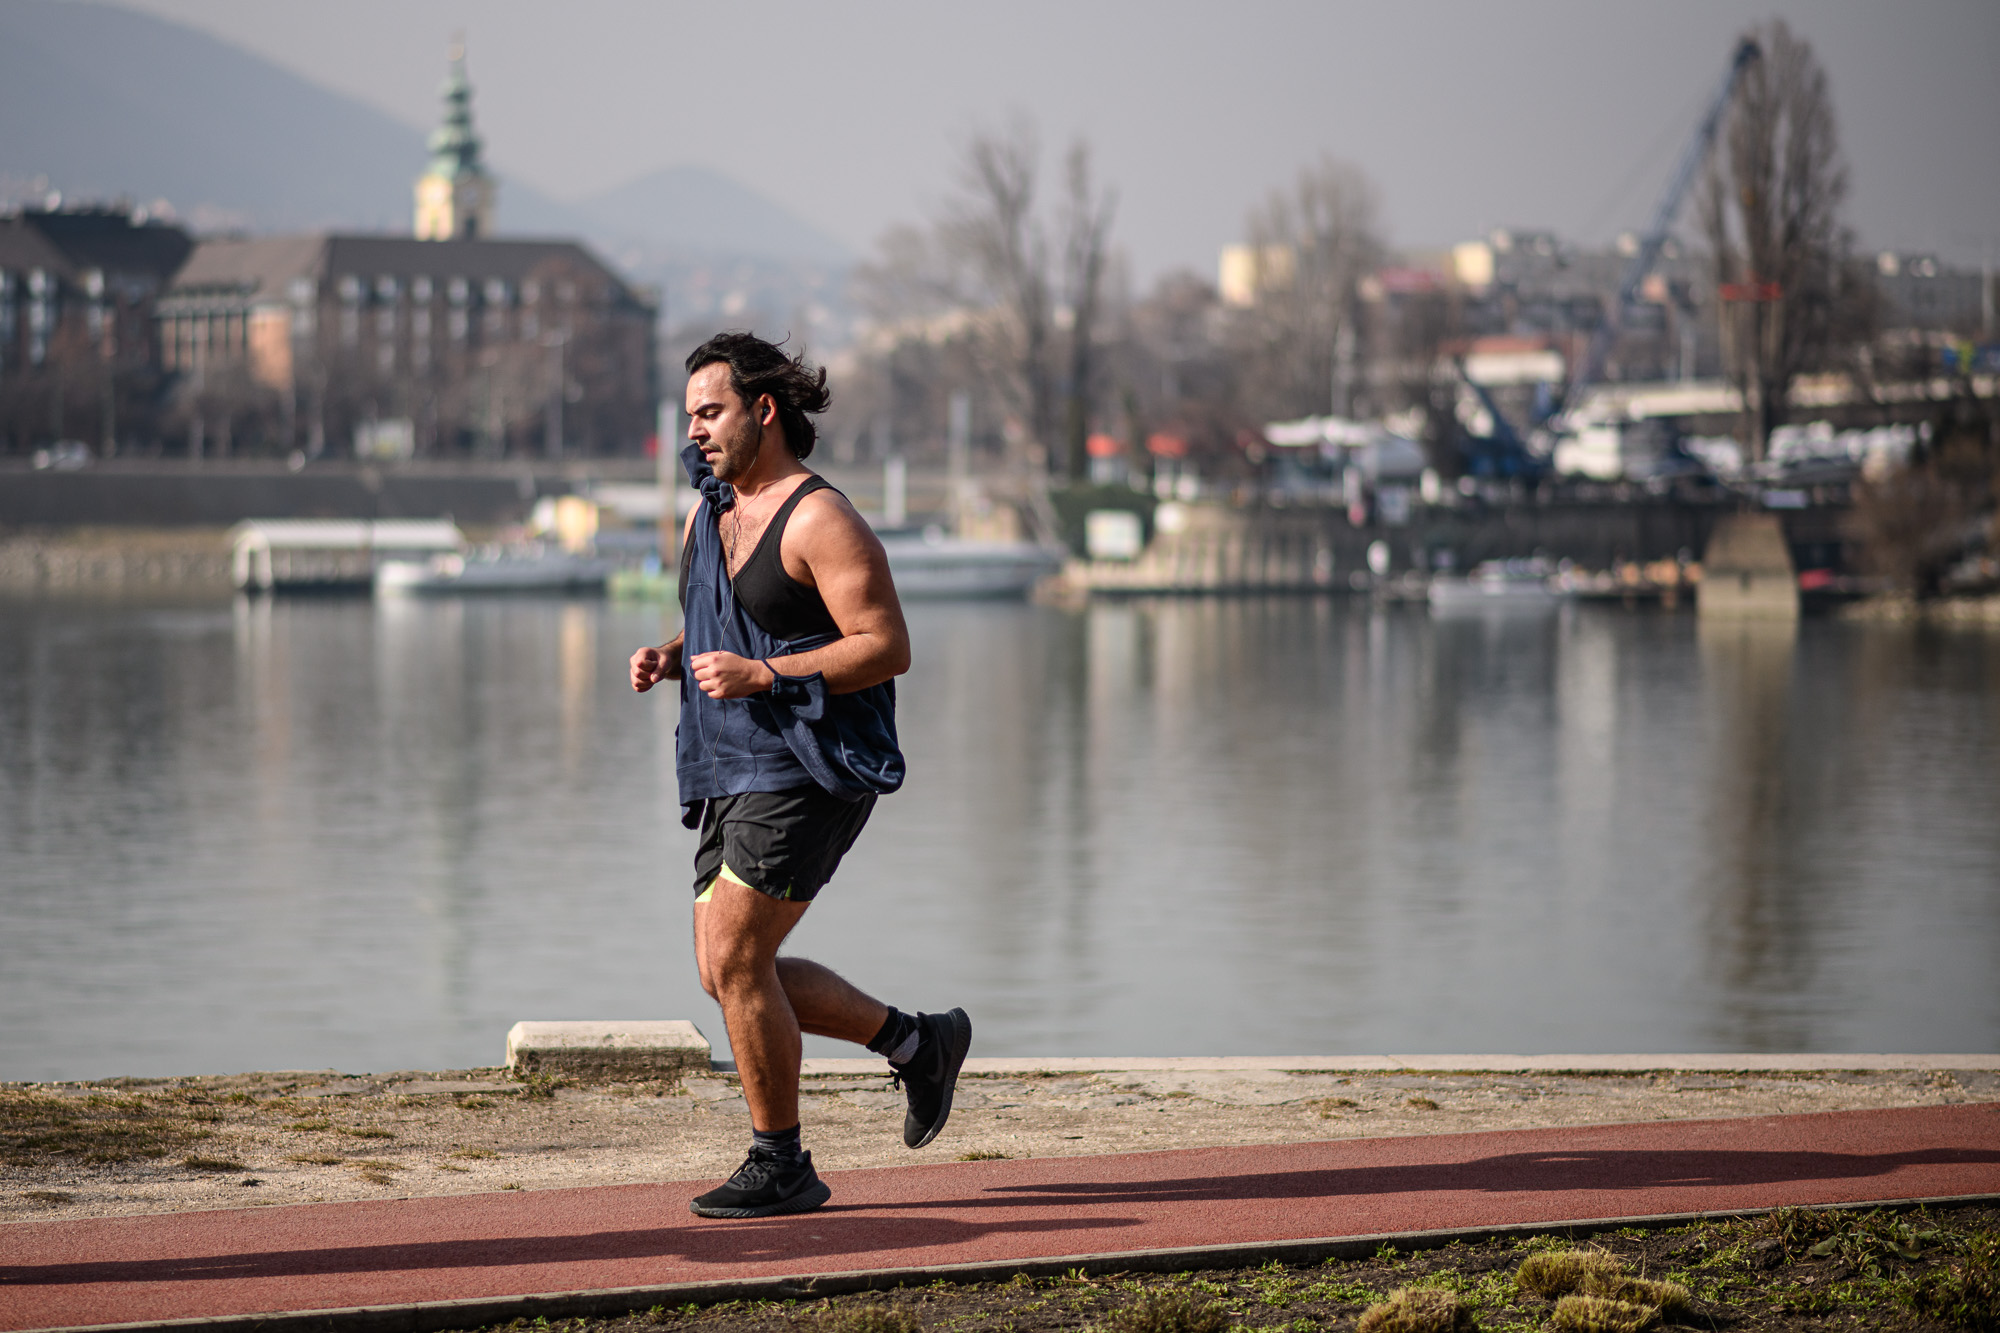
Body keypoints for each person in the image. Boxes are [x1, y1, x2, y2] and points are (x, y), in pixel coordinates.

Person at [629, 332, 971, 1219]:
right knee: (727, 969)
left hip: (811, 761)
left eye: (711, 413)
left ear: (763, 411)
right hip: (727, 760)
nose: (694, 432)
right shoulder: (712, 511)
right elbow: (728, 621)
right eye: (691, 416)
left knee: (739, 956)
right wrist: (672, 657)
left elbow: (885, 645)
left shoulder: (820, 518)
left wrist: (767, 677)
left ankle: (780, 1161)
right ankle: (917, 1043)